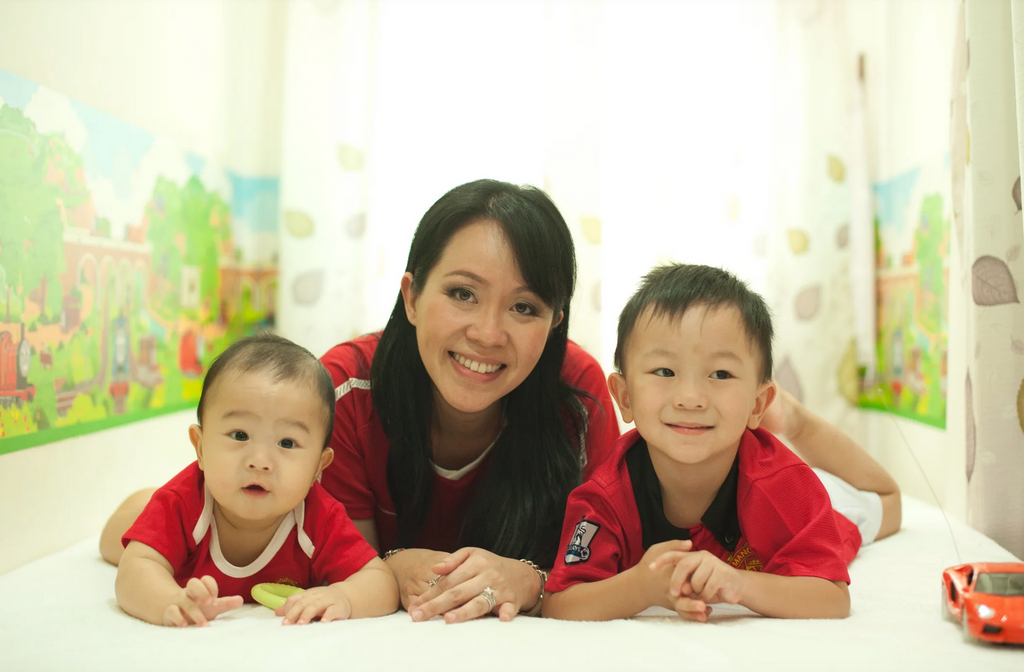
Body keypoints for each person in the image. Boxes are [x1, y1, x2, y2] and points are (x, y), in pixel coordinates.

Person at [102, 179, 621, 625]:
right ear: (411, 297)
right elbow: (324, 549)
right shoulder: (344, 386)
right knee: (150, 526)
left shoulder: (578, 398)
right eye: (463, 293)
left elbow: (609, 554)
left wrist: (528, 578)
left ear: (555, 323)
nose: (487, 333)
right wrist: (389, 565)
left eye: (524, 307)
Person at [543, 264, 901, 621]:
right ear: (624, 396)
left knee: (889, 503)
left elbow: (832, 599)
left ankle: (794, 420)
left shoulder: (787, 486)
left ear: (757, 403)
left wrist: (738, 584)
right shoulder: (604, 497)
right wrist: (639, 587)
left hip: (813, 497)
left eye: (720, 374)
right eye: (665, 371)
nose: (690, 397)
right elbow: (561, 603)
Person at [115, 334, 398, 627]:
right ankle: (139, 506)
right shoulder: (182, 502)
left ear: (318, 467)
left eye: (287, 443)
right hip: (156, 515)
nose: (260, 461)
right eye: (240, 435)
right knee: (121, 541)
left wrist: (344, 597)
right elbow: (135, 569)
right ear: (200, 447)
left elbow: (380, 581)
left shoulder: (318, 517)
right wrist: (168, 601)